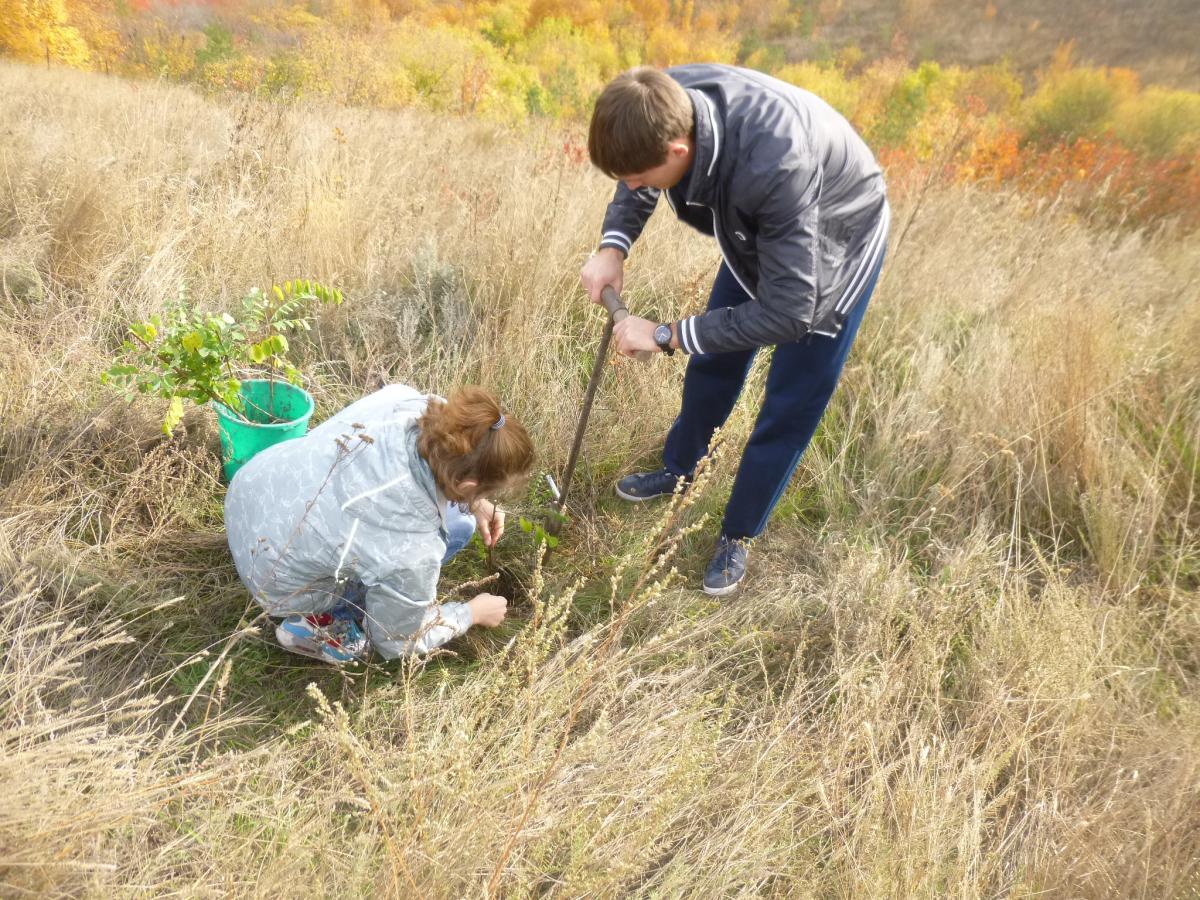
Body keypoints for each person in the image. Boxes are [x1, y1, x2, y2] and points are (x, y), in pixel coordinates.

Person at [580, 64, 889, 596]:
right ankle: (681, 470)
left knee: (791, 399)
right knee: (714, 358)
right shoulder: (659, 98)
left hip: (832, 247)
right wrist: (614, 246)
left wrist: (665, 335)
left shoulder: (774, 168)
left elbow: (792, 311)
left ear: (679, 153)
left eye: (638, 180)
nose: (632, 189)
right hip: (766, 227)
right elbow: (635, 169)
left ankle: (738, 532)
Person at [224, 383, 534, 663]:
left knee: (461, 521)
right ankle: (318, 625)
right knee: (459, 528)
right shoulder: (412, 549)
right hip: (274, 583)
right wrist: (471, 613)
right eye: (487, 490)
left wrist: (476, 502)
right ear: (467, 483)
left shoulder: (404, 401)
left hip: (250, 494)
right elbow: (396, 640)